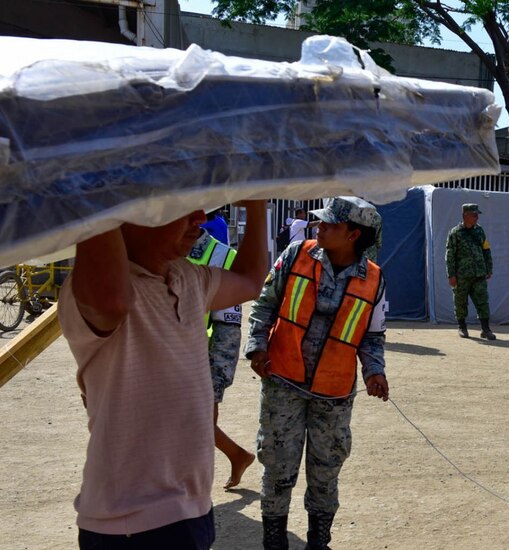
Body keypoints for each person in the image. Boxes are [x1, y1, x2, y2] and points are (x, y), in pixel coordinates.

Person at [58, 201, 268, 549]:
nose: (200, 218)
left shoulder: (188, 277)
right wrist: (98, 196)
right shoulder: (95, 292)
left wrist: (258, 203)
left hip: (193, 508)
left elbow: (250, 281)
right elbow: (111, 300)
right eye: (180, 206)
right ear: (126, 214)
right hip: (129, 523)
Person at [245, 196, 389, 550]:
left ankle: (318, 541)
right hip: (283, 381)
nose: (318, 227)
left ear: (354, 235)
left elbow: (372, 335)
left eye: (330, 224)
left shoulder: (374, 279)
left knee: (326, 472)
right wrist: (257, 346)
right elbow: (265, 304)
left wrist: (374, 372)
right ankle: (274, 542)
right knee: (278, 467)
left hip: (334, 392)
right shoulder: (296, 255)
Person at [187, 227, 255, 490]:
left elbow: (227, 327)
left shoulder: (221, 256)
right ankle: (238, 455)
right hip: (165, 355)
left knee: (197, 425)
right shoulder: (157, 249)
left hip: (200, 358)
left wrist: (216, 381)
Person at [445, 203, 495, 340]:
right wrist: (451, 275)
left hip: (479, 274)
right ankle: (462, 327)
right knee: (460, 302)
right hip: (462, 276)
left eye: (477, 215)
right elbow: (450, 255)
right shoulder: (455, 233)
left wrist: (488, 268)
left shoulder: (479, 231)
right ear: (465, 215)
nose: (476, 217)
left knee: (482, 301)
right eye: (474, 215)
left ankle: (486, 329)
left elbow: (486, 250)